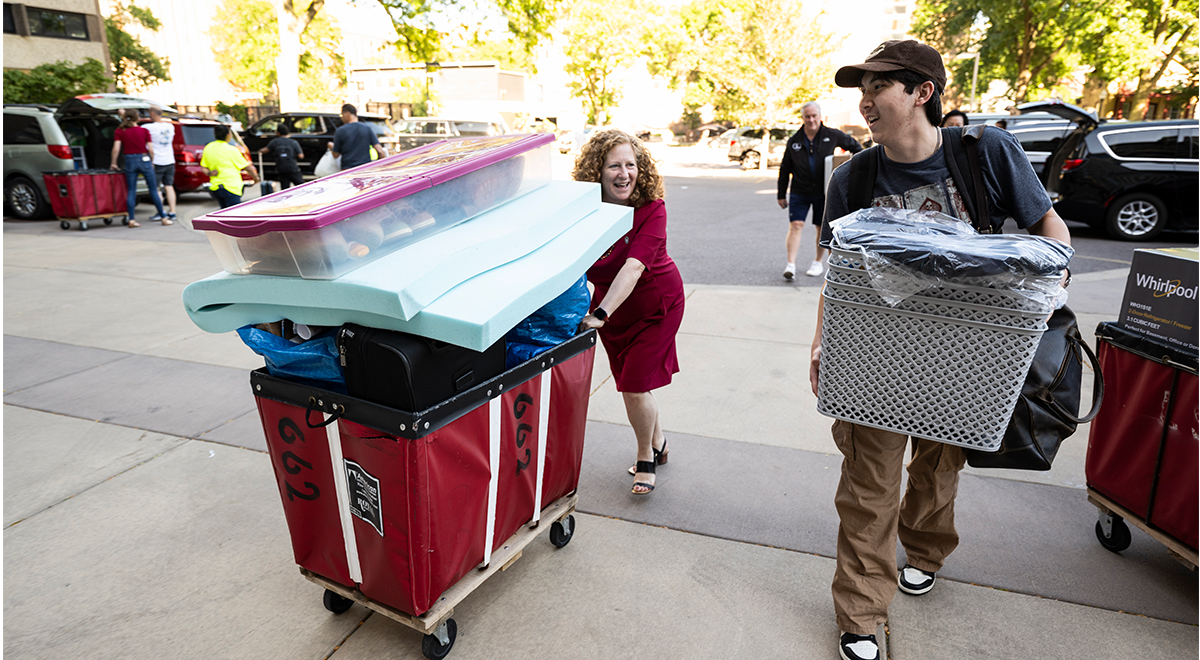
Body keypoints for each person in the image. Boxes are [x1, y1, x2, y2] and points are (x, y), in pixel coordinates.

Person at [810, 40, 1071, 660]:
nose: (865, 101)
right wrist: (823, 343)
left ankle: (925, 550)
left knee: (936, 469)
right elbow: (840, 273)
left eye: (878, 88)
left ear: (922, 92)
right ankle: (860, 613)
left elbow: (1048, 230)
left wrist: (1051, 278)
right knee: (868, 486)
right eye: (861, 89)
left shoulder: (985, 154)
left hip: (968, 354)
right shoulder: (855, 178)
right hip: (877, 356)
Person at [574, 129, 685, 495]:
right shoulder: (586, 213)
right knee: (632, 385)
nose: (624, 174)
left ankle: (645, 458)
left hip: (657, 305)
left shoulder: (652, 208)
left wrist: (600, 313)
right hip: (614, 311)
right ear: (597, 171)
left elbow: (634, 267)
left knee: (635, 385)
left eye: (630, 165)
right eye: (613, 166)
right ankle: (661, 443)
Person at [777, 102, 862, 279]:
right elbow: (785, 168)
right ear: (803, 118)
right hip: (799, 191)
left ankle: (817, 262)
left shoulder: (831, 135)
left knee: (820, 228)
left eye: (814, 116)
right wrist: (781, 193)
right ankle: (790, 265)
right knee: (796, 225)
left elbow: (857, 149)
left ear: (819, 116)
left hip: (823, 192)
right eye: (807, 116)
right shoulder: (795, 141)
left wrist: (847, 170)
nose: (811, 120)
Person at [110, 108, 167, 228]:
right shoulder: (144, 131)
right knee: (153, 190)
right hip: (144, 158)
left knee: (131, 191)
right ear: (138, 118)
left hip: (129, 160)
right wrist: (152, 161)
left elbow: (116, 149)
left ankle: (131, 219)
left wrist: (114, 163)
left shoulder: (120, 131)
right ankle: (163, 217)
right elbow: (151, 149)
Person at [200, 124, 260, 209]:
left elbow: (203, 167)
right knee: (234, 215)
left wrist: (209, 173)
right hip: (231, 187)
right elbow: (247, 167)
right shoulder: (231, 150)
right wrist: (256, 178)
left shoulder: (208, 148)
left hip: (216, 187)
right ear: (228, 135)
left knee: (223, 213)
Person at [144, 106, 176, 224]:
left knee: (156, 188)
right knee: (169, 186)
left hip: (157, 161)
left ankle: (161, 211)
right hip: (169, 160)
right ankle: (172, 212)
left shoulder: (147, 128)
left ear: (152, 113)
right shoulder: (170, 126)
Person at [331, 103, 387, 170]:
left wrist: (331, 146)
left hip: (347, 171)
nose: (341, 117)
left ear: (347, 114)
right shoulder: (367, 129)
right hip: (365, 169)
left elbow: (335, 155)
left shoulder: (340, 131)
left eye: (342, 114)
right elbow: (380, 151)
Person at [260, 123, 305, 189]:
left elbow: (265, 150)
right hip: (293, 168)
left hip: (281, 169)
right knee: (301, 186)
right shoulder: (293, 142)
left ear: (278, 132)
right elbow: (301, 156)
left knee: (285, 189)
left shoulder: (275, 142)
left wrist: (260, 151)